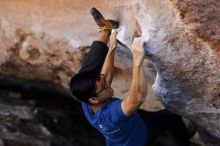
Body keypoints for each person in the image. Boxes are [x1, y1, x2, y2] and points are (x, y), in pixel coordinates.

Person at [70, 7, 194, 146]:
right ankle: (183, 141)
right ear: (93, 99)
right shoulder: (112, 116)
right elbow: (137, 98)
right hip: (140, 138)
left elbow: (105, 78)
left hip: (132, 121)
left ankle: (105, 32)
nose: (107, 83)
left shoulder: (87, 100)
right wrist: (137, 60)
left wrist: (112, 49)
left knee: (84, 73)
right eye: (104, 86)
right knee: (171, 117)